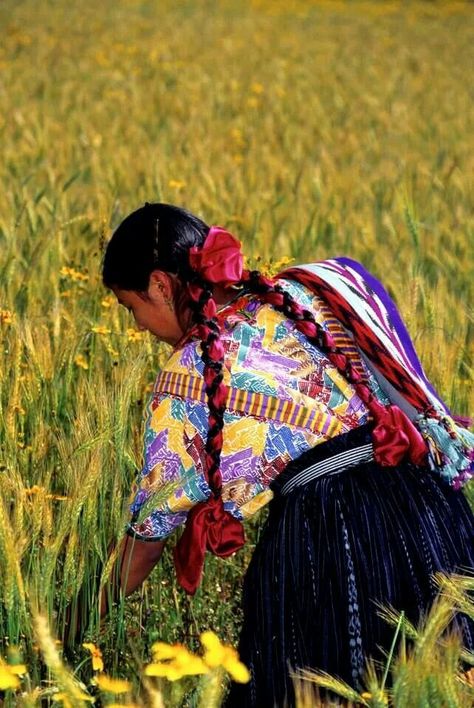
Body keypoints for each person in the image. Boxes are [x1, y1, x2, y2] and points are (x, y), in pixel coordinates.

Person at [101, 202, 474, 707]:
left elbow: (146, 537)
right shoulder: (302, 293)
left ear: (162, 285)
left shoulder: (182, 382)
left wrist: (79, 618)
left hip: (329, 541)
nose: (139, 326)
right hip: (426, 509)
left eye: (132, 307)